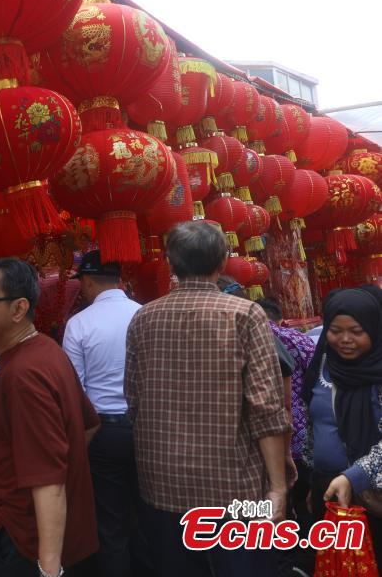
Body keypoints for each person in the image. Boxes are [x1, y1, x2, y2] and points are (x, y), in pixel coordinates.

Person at [125, 221, 289, 577]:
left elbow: (133, 399)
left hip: (163, 482)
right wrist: (277, 487)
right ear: (222, 263)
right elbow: (266, 406)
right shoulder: (245, 314)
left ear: (171, 264)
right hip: (234, 485)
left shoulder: (143, 318)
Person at [0, 257, 100, 577]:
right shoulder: (47, 350)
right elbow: (89, 425)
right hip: (34, 532)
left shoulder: (23, 374)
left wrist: (48, 567)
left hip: (18, 539)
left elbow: (48, 481)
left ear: (18, 309)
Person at [61, 250, 151, 577]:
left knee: (111, 525)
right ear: (119, 280)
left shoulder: (79, 324)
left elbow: (74, 390)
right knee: (148, 516)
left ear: (85, 282)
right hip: (146, 429)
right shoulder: (144, 313)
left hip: (102, 433)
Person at [303, 287, 382, 567]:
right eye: (336, 330)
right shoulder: (322, 364)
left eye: (357, 331)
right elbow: (314, 424)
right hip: (331, 492)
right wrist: (316, 478)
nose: (345, 339)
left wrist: (353, 476)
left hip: (373, 494)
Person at [256, 297, 316, 577]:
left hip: (258, 444)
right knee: (299, 502)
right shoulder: (297, 340)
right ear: (278, 319)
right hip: (298, 433)